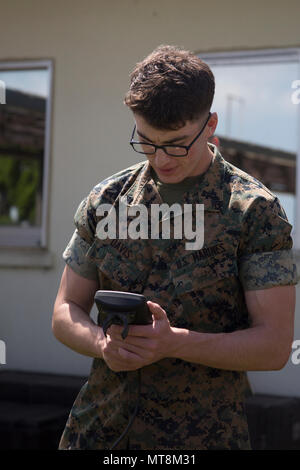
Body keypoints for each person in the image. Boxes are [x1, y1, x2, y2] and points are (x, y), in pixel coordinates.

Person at [52, 45, 297, 450]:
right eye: (147, 142)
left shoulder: (254, 211)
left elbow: (273, 346)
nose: (161, 158)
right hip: (99, 430)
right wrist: (102, 344)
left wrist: (176, 342)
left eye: (178, 144)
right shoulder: (106, 200)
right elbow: (64, 311)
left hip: (202, 437)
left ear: (210, 124)